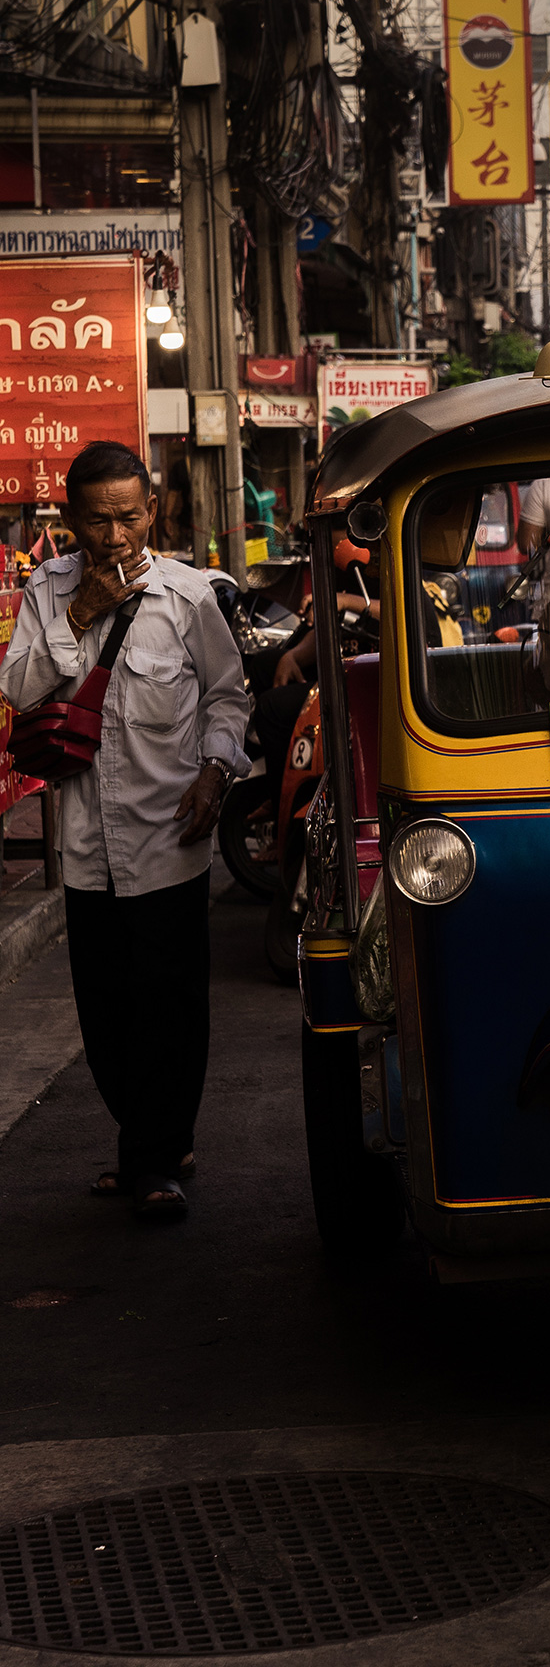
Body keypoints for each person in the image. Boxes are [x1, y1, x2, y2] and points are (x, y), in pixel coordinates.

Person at [0, 440, 250, 1221]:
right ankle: (152, 1143)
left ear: (153, 511)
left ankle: (153, 1157)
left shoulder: (189, 595)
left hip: (169, 832)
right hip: (85, 839)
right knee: (106, 1008)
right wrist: (80, 616)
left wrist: (215, 770)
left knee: (170, 1003)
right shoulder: (48, 589)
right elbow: (16, 686)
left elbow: (227, 698)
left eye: (130, 517)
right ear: (71, 517)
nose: (115, 537)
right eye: (99, 521)